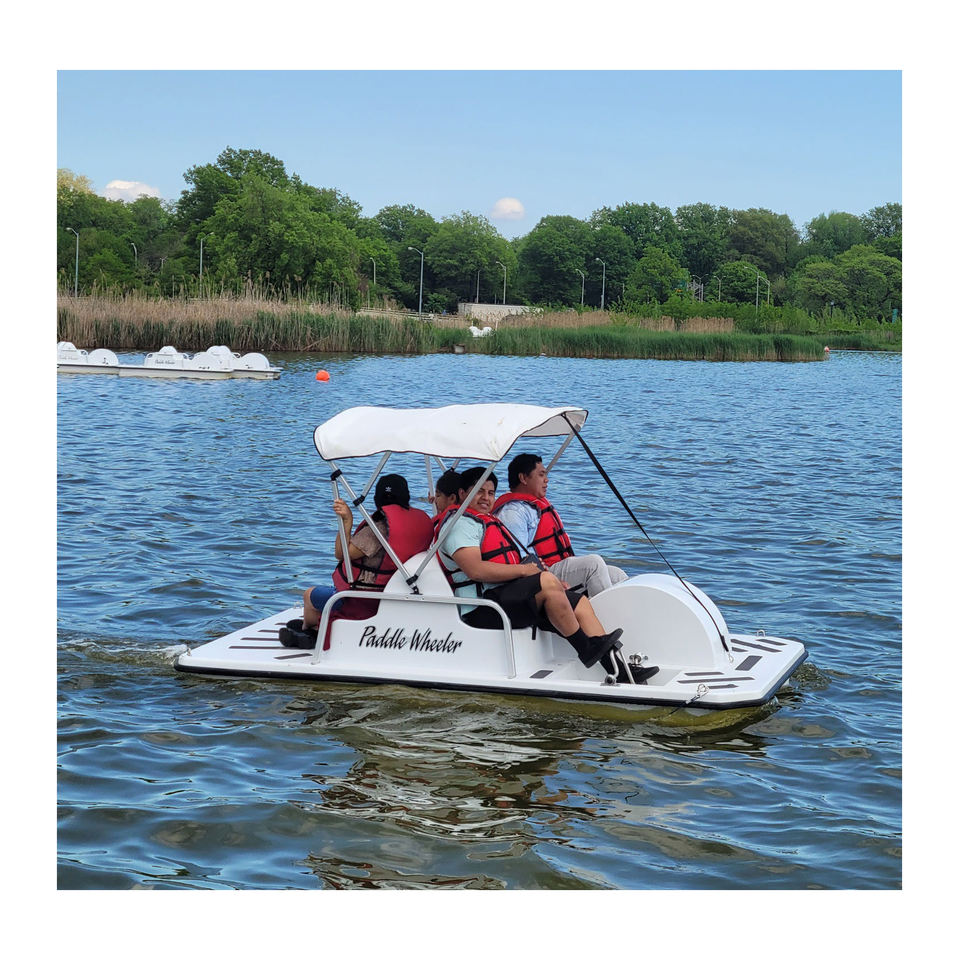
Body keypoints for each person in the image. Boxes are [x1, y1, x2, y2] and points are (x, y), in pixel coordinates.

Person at [437, 466, 656, 682]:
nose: (486, 498)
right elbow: (475, 570)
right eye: (479, 492)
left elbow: (511, 561)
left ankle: (619, 670)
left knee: (579, 603)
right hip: (482, 608)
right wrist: (526, 571)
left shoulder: (487, 521)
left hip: (506, 596)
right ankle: (586, 648)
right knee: (547, 582)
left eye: (491, 492)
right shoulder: (461, 526)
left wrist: (549, 580)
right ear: (463, 494)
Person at [285, 473, 434, 648]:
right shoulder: (418, 522)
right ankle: (316, 625)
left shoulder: (378, 530)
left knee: (309, 595)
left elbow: (341, 553)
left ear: (377, 499)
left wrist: (347, 521)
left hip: (365, 598)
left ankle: (311, 630)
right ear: (406, 497)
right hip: (398, 590)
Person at [493, 452, 628, 598]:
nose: (546, 480)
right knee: (593, 565)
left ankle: (624, 611)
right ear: (523, 478)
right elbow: (517, 560)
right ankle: (600, 612)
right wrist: (549, 578)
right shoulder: (513, 512)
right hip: (540, 574)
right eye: (541, 475)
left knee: (617, 575)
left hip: (555, 566)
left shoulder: (533, 505)